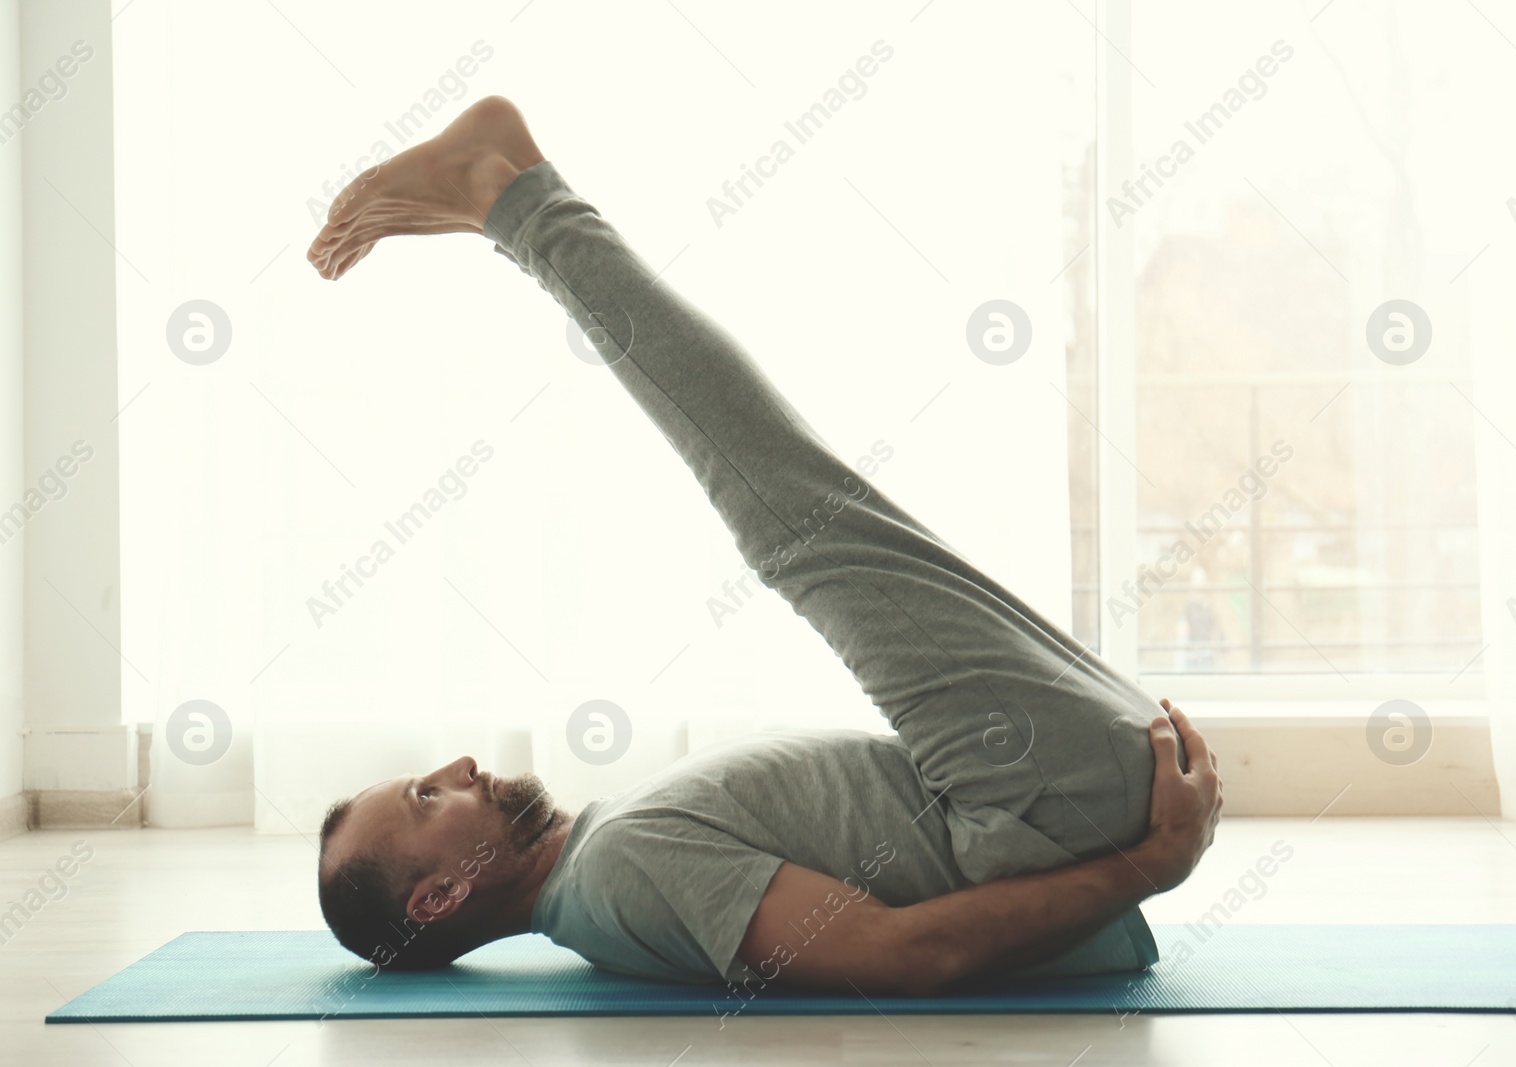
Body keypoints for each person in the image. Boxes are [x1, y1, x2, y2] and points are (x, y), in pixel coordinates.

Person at [307, 96, 1223, 998]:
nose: (457, 767)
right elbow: (900, 954)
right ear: (439, 895)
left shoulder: (602, 855)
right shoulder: (621, 875)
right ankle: (515, 197)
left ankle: (519, 195)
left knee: (801, 510)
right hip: (1045, 797)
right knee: (793, 511)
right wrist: (1156, 862)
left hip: (1034, 784)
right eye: (426, 800)